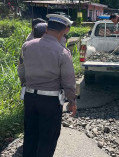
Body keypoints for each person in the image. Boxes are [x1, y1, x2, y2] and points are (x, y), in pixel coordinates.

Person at [17, 14, 77, 157]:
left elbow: (21, 70)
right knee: (47, 139)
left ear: (47, 27)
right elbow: (68, 82)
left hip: (30, 98)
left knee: (30, 135)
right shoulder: (62, 52)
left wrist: (26, 83)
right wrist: (72, 102)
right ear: (66, 29)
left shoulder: (27, 46)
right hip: (50, 102)